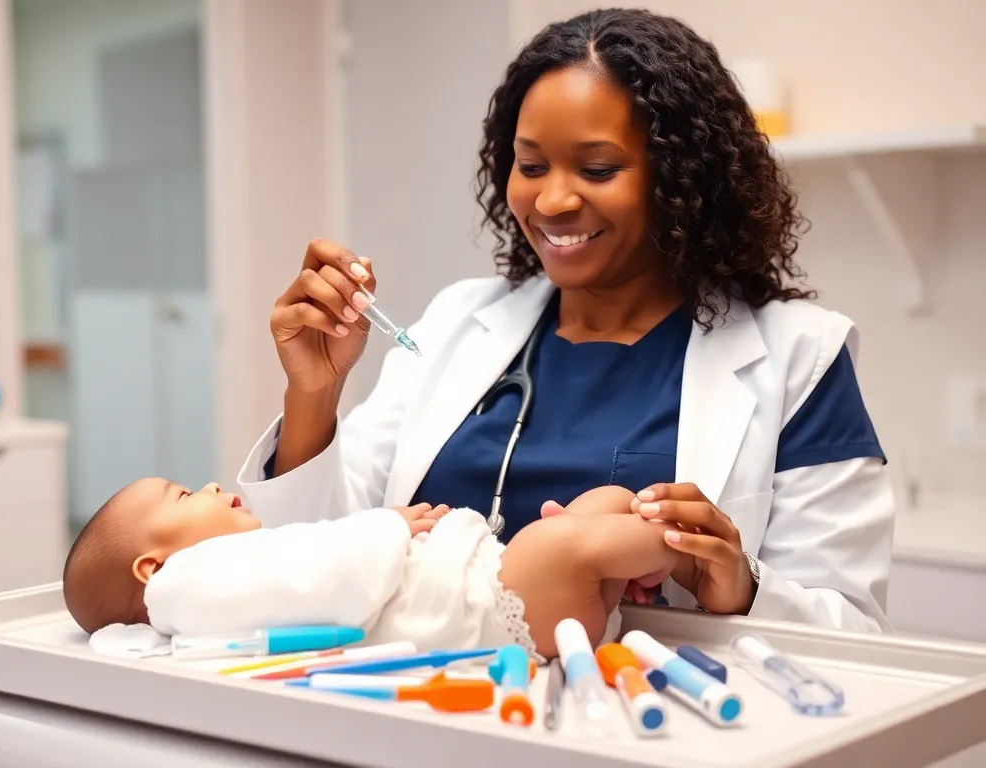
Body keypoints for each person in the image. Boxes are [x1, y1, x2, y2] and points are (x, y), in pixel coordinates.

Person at [237, 8, 894, 633]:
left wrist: (742, 588)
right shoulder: (459, 321)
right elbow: (317, 559)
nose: (551, 199)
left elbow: (855, 629)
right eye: (530, 166)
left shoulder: (800, 356)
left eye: (597, 168)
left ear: (683, 178)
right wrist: (314, 394)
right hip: (425, 701)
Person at [62, 481, 675, 659]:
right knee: (568, 546)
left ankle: (641, 547)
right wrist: (385, 528)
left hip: (502, 585)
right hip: (487, 605)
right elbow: (319, 575)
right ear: (152, 566)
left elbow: (304, 568)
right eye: (183, 494)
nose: (213, 484)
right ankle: (681, 550)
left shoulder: (212, 582)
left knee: (606, 504)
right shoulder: (185, 586)